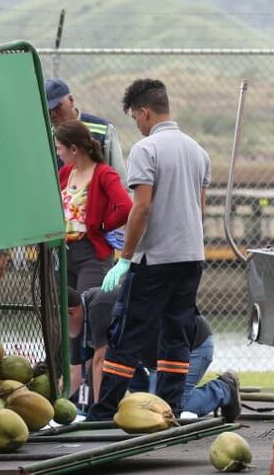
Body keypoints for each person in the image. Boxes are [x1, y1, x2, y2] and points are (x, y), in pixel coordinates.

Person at [86, 78, 211, 422]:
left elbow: (140, 208)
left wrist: (125, 259)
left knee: (126, 332)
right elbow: (199, 211)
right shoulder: (198, 151)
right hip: (191, 258)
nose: (137, 126)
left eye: (135, 118)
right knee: (176, 334)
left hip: (154, 260)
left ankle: (104, 411)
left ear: (144, 112)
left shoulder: (147, 150)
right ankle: (169, 408)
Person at [74, 287, 240, 420]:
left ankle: (224, 388)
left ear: (72, 311)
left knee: (164, 410)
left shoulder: (99, 305)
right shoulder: (79, 320)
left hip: (193, 346)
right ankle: (146, 396)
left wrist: (100, 414)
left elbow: (100, 361)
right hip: (153, 358)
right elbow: (76, 371)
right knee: (144, 402)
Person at [55, 119, 131, 293]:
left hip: (91, 254)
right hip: (65, 253)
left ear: (74, 149)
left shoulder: (104, 174)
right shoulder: (66, 172)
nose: (58, 153)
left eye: (59, 148)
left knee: (87, 305)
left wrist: (103, 225)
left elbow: (125, 207)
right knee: (66, 311)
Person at [45, 77, 127, 184]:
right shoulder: (44, 134)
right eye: (48, 110)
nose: (53, 114)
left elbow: (119, 177)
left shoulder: (101, 130)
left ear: (71, 100)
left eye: (58, 107)